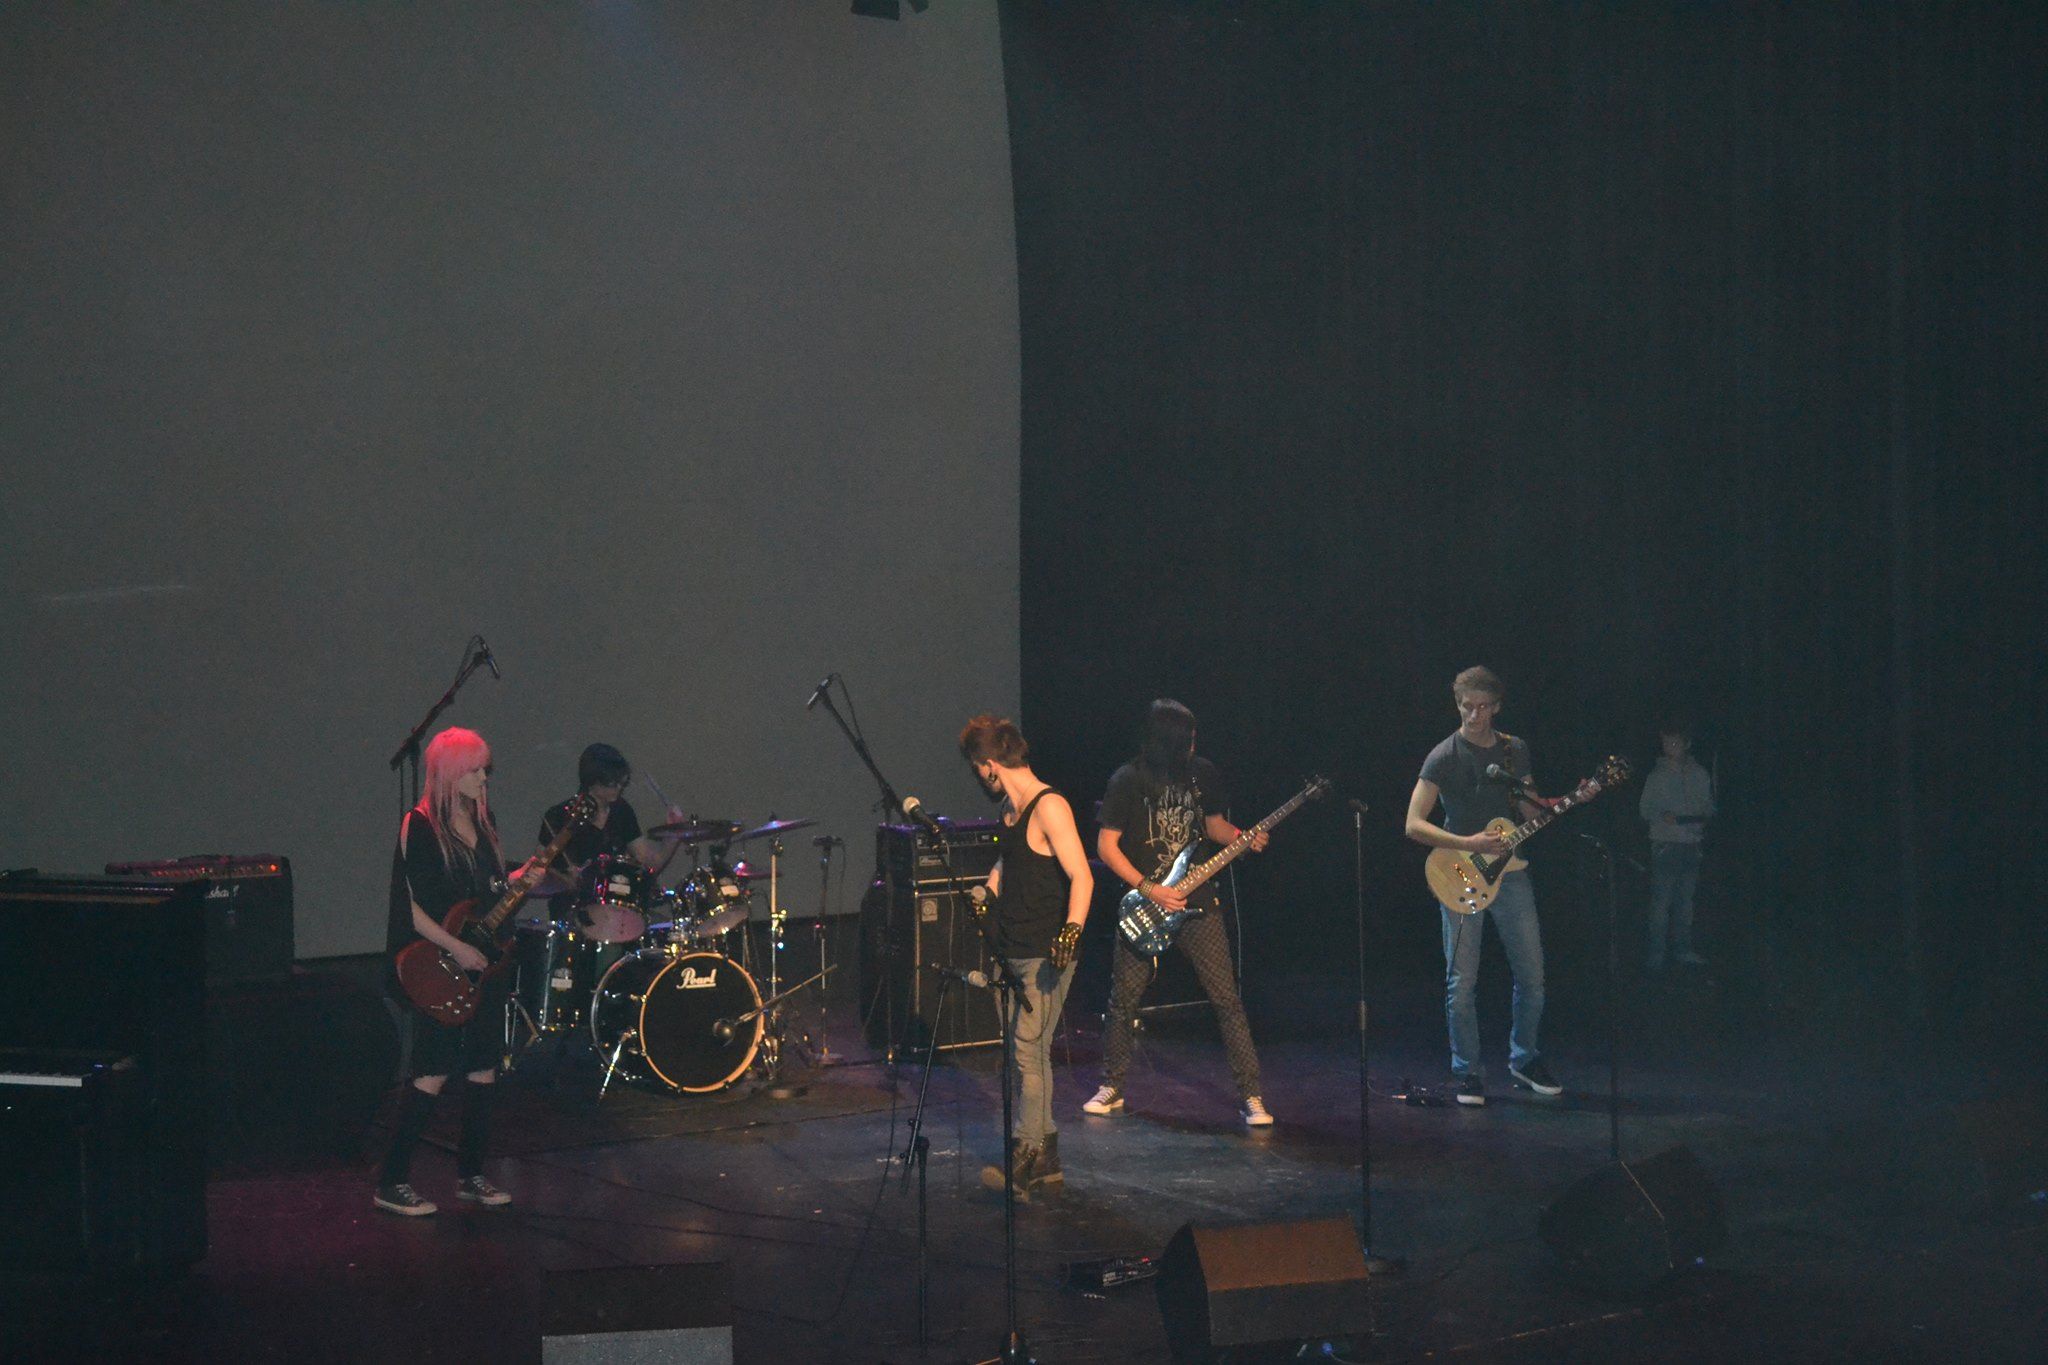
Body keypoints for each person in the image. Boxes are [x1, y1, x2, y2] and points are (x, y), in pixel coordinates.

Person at [1085, 699, 1275, 1128]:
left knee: (1226, 1000)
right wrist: (1150, 888)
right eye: (1188, 737)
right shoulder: (1127, 780)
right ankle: (1111, 1086)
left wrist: (1243, 837)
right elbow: (1106, 846)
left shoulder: (1202, 774)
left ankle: (1252, 1096)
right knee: (1123, 1001)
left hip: (1197, 902)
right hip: (1145, 905)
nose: (1194, 743)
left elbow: (1213, 826)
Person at [378, 727, 525, 1215]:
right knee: (433, 1068)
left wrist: (521, 880)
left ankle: (472, 1175)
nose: (485, 778)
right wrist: (456, 948)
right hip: (439, 960)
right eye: (475, 769)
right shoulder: (419, 826)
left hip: (483, 961)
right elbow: (410, 906)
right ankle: (392, 1181)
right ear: (450, 773)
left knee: (484, 1065)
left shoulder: (484, 822)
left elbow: (484, 892)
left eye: (486, 769)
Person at [1403, 667, 1562, 1105]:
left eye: (1483, 707)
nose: (1474, 715)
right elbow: (1413, 824)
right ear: (1457, 704)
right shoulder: (1443, 755)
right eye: (1466, 706)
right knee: (1462, 982)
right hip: (1460, 871)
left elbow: (1531, 812)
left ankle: (1524, 1059)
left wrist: (1564, 803)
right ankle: (1467, 1071)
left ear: (1497, 707)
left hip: (1512, 873)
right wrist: (1469, 843)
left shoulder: (1514, 750)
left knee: (1533, 976)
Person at [959, 715, 1094, 1198]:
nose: (979, 778)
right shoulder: (1011, 811)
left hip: (1044, 953)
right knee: (1029, 1057)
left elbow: (1082, 875)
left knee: (1027, 1054)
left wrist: (1071, 932)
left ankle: (1025, 1154)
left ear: (990, 765)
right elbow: (1009, 859)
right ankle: (1048, 1158)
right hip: (1010, 949)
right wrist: (987, 891)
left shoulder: (1049, 806)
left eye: (977, 769)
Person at [1639, 719, 1716, 973]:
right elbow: (1645, 809)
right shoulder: (1656, 777)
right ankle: (1656, 955)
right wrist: (1663, 816)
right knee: (1661, 903)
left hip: (1692, 844)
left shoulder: (1700, 774)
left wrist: (1701, 817)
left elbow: (1708, 806)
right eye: (1666, 743)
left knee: (1686, 902)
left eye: (1674, 743)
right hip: (1665, 845)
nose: (1669, 747)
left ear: (1686, 744)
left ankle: (1683, 950)